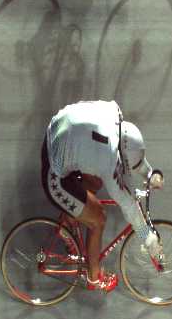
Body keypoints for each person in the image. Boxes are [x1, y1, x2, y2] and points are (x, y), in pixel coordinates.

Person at [42, 100, 163, 292]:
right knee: (98, 218)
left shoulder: (115, 114)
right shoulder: (108, 159)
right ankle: (94, 278)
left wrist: (149, 174)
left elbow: (130, 158)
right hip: (55, 175)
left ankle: (68, 222)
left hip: (57, 133)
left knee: (96, 182)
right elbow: (127, 205)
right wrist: (147, 237)